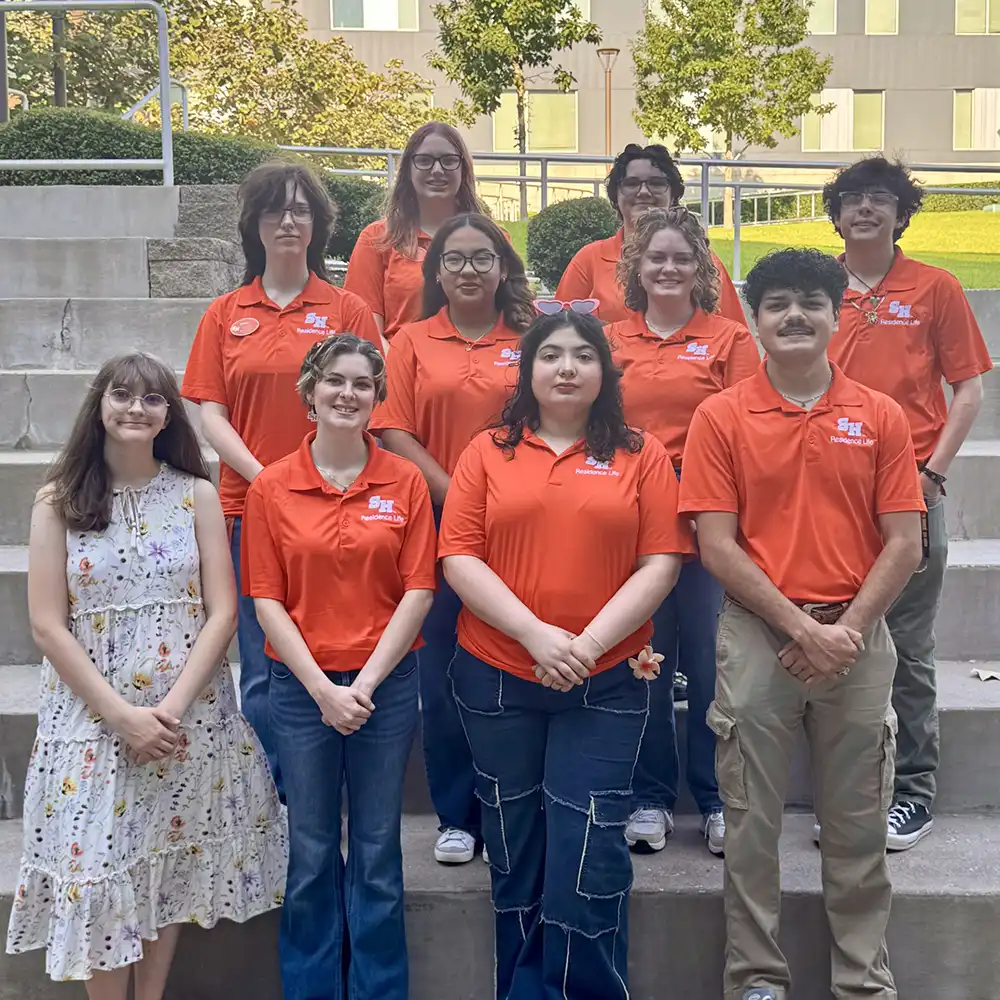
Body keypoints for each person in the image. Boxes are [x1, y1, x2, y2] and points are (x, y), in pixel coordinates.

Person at [679, 249, 924, 1000]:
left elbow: (905, 543)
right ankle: (756, 977)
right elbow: (715, 544)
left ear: (836, 314)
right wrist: (800, 630)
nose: (793, 316)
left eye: (810, 303)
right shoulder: (720, 416)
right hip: (760, 635)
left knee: (856, 826)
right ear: (753, 322)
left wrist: (842, 629)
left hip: (858, 633)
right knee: (751, 826)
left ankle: (863, 981)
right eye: (777, 303)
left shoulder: (879, 414)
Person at [6, 353, 287, 998]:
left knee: (163, 865)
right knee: (102, 868)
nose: (137, 408)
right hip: (94, 716)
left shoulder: (197, 493)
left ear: (169, 414)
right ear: (99, 404)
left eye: (153, 398)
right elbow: (48, 625)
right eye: (122, 395)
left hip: (186, 717)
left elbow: (222, 612)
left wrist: (171, 710)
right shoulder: (57, 500)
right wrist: (122, 716)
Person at [439, 307, 694, 999]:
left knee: (589, 844)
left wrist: (583, 645)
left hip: (606, 680)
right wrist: (534, 635)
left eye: (583, 355)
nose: (566, 367)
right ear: (527, 370)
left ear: (605, 372)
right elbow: (459, 555)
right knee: (515, 843)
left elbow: (660, 563)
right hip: (497, 674)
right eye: (550, 354)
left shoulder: (641, 454)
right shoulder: (487, 451)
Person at [242, 335, 436, 1000]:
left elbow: (418, 591)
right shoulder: (272, 485)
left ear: (377, 398)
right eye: (335, 381)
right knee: (313, 851)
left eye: (362, 383)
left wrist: (367, 685)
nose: (348, 393)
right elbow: (266, 599)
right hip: (302, 692)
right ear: (310, 393)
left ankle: (379, 990)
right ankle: (312, 988)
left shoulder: (404, 481)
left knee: (379, 853)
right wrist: (325, 690)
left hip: (385, 684)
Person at [182, 162, 382, 793]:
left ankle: (333, 792)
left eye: (301, 211)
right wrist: (268, 478)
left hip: (339, 510)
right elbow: (211, 414)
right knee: (265, 665)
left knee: (335, 649)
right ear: (256, 226)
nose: (289, 221)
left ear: (318, 226)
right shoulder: (224, 313)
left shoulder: (348, 307)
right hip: (250, 509)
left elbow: (370, 404)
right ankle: (275, 799)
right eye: (276, 211)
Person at [823, 156, 993, 851]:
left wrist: (932, 472)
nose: (865, 209)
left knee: (910, 648)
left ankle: (913, 793)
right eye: (853, 199)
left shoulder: (935, 286)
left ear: (901, 213)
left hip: (910, 487)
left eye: (880, 199)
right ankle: (850, 801)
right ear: (835, 213)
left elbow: (969, 391)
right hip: (828, 487)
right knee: (836, 638)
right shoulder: (816, 283)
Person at [371, 213, 535, 865]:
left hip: (521, 526)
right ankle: (457, 815)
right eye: (456, 259)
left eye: (483, 258)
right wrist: (464, 498)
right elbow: (394, 433)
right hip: (438, 528)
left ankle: (512, 807)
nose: (469, 270)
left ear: (503, 268)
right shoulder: (411, 342)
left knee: (512, 668)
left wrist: (505, 502)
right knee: (440, 678)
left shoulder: (531, 338)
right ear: (436, 272)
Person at [606, 206, 760, 856]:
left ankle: (718, 798)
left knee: (707, 665)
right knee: (645, 663)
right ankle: (649, 798)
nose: (668, 268)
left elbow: (752, 432)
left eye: (681, 258)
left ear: (701, 268)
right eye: (656, 257)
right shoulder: (610, 341)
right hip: (632, 526)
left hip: (706, 526)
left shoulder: (729, 339)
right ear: (636, 268)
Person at [556, 143, 745, 325]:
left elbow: (735, 336)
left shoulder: (704, 261)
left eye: (656, 183)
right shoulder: (589, 260)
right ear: (616, 195)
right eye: (631, 184)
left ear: (673, 195)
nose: (644, 192)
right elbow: (556, 328)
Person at [346, 122, 489, 342]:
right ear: (408, 170)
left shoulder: (491, 240)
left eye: (449, 161)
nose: (437, 170)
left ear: (464, 168)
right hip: (395, 369)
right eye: (424, 161)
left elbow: (508, 319)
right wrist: (400, 367)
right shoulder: (376, 239)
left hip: (473, 370)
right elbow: (363, 330)